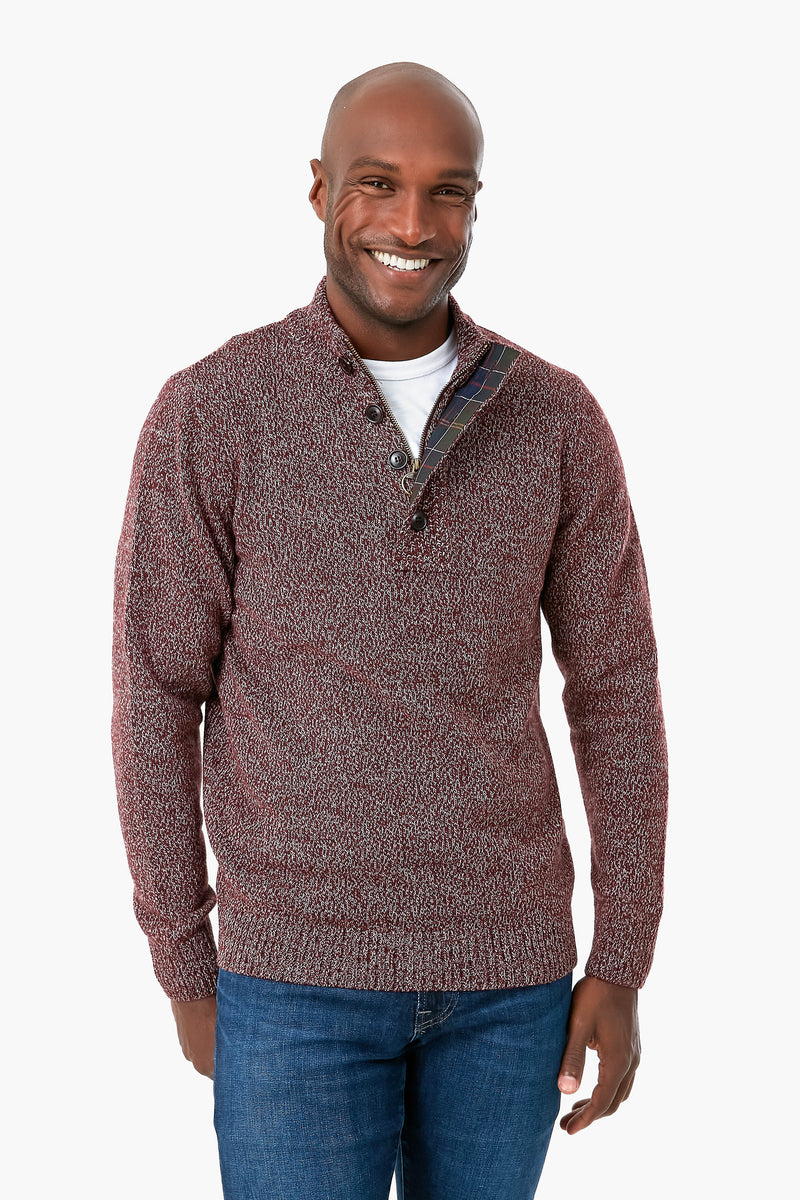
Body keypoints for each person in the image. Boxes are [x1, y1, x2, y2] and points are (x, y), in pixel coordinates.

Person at [112, 61, 668, 1200]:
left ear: (476, 206)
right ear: (319, 190)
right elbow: (155, 696)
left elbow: (615, 691)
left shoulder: (556, 420)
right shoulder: (213, 410)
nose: (412, 225)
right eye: (377, 183)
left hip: (510, 985)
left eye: (446, 192)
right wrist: (184, 964)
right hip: (290, 982)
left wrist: (621, 958)